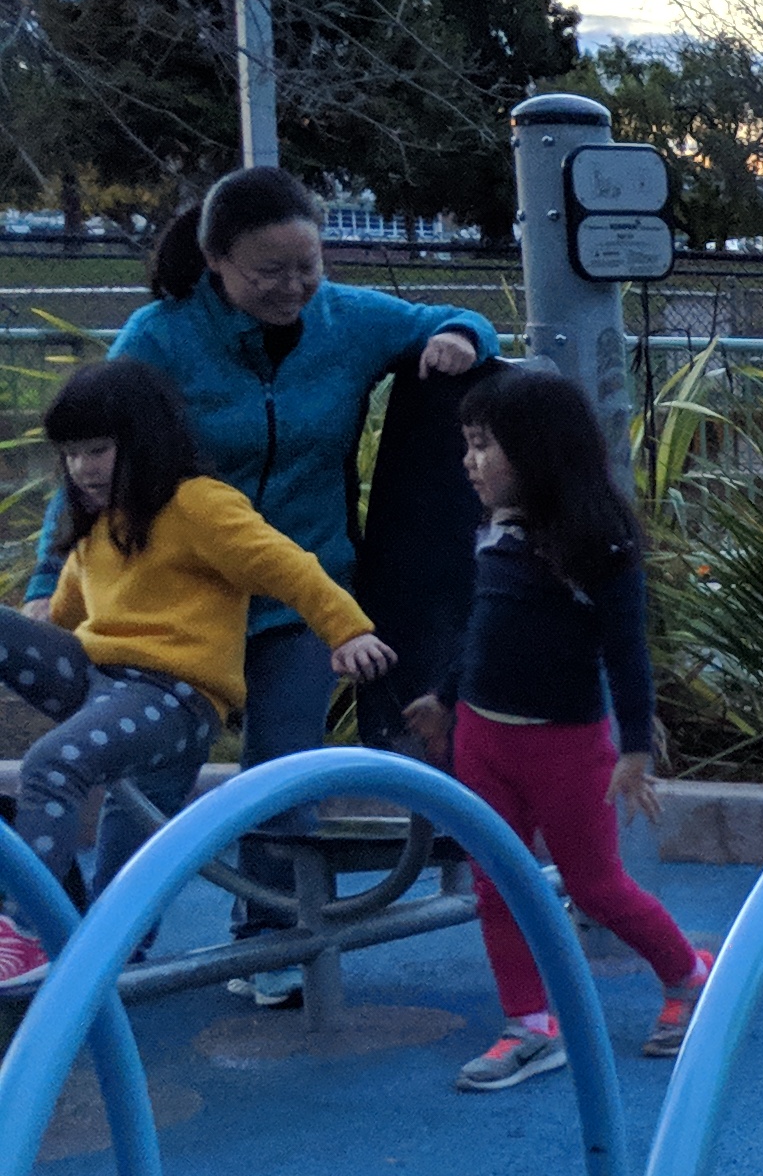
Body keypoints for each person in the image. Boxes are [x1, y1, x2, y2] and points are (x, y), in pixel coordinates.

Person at [24, 169, 499, 1007]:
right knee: (155, 778)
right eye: (267, 272)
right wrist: (44, 583)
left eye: (307, 267)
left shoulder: (347, 319)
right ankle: (114, 943)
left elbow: (449, 320)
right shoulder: (161, 337)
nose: (292, 288)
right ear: (216, 262)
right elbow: (93, 461)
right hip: (184, 602)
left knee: (283, 766)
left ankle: (272, 939)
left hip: (298, 589)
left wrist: (460, 335)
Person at [0, 358, 395, 982]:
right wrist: (40, 620)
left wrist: (348, 632)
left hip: (173, 699)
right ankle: (73, 935)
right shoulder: (100, 523)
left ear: (143, 442)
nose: (82, 468)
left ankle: (27, 933)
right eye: (71, 454)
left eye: (98, 450)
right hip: (99, 684)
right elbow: (72, 613)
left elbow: (288, 566)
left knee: (59, 772)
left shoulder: (196, 505)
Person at [414, 366, 710, 1092]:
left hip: (566, 747)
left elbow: (626, 652)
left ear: (537, 450)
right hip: (483, 738)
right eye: (468, 443)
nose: (469, 461)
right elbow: (486, 626)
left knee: (596, 885)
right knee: (496, 884)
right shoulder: (495, 529)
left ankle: (688, 974)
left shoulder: (596, 542)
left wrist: (634, 749)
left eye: (483, 445)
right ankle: (529, 1025)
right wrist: (446, 697)